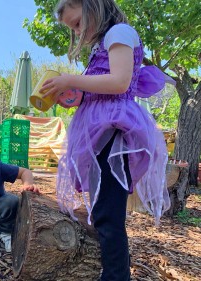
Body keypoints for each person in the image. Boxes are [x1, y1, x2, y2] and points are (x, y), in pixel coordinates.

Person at [40, 1, 172, 280]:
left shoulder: (119, 32)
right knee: (103, 209)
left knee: (108, 213)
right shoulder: (103, 44)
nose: (77, 33)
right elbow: (101, 88)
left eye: (76, 24)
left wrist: (71, 80)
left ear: (92, 7)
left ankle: (116, 275)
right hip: (100, 130)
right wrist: (76, 95)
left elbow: (120, 82)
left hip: (114, 130)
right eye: (71, 29)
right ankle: (111, 272)